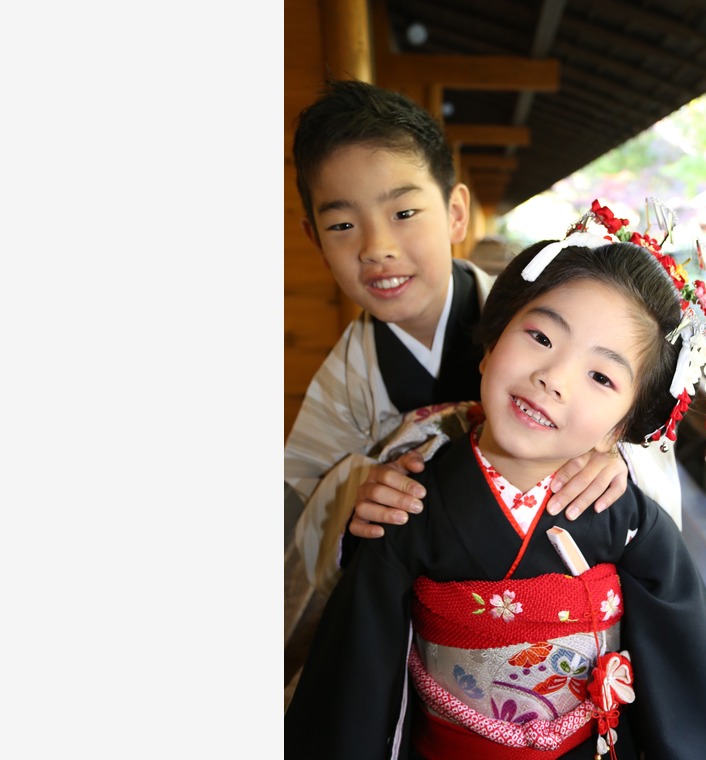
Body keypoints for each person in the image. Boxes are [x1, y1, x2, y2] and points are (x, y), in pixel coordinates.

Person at [284, 203, 706, 759]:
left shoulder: (625, 517)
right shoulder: (413, 499)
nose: (552, 378)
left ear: (622, 428)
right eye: (541, 338)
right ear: (490, 344)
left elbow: (687, 662)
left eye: (600, 375)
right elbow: (355, 675)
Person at [284, 80, 668, 597]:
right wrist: (361, 492)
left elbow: (637, 421)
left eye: (403, 214)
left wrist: (611, 455)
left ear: (456, 213)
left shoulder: (543, 329)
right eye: (343, 224)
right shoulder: (346, 378)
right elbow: (298, 507)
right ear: (315, 239)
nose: (376, 248)